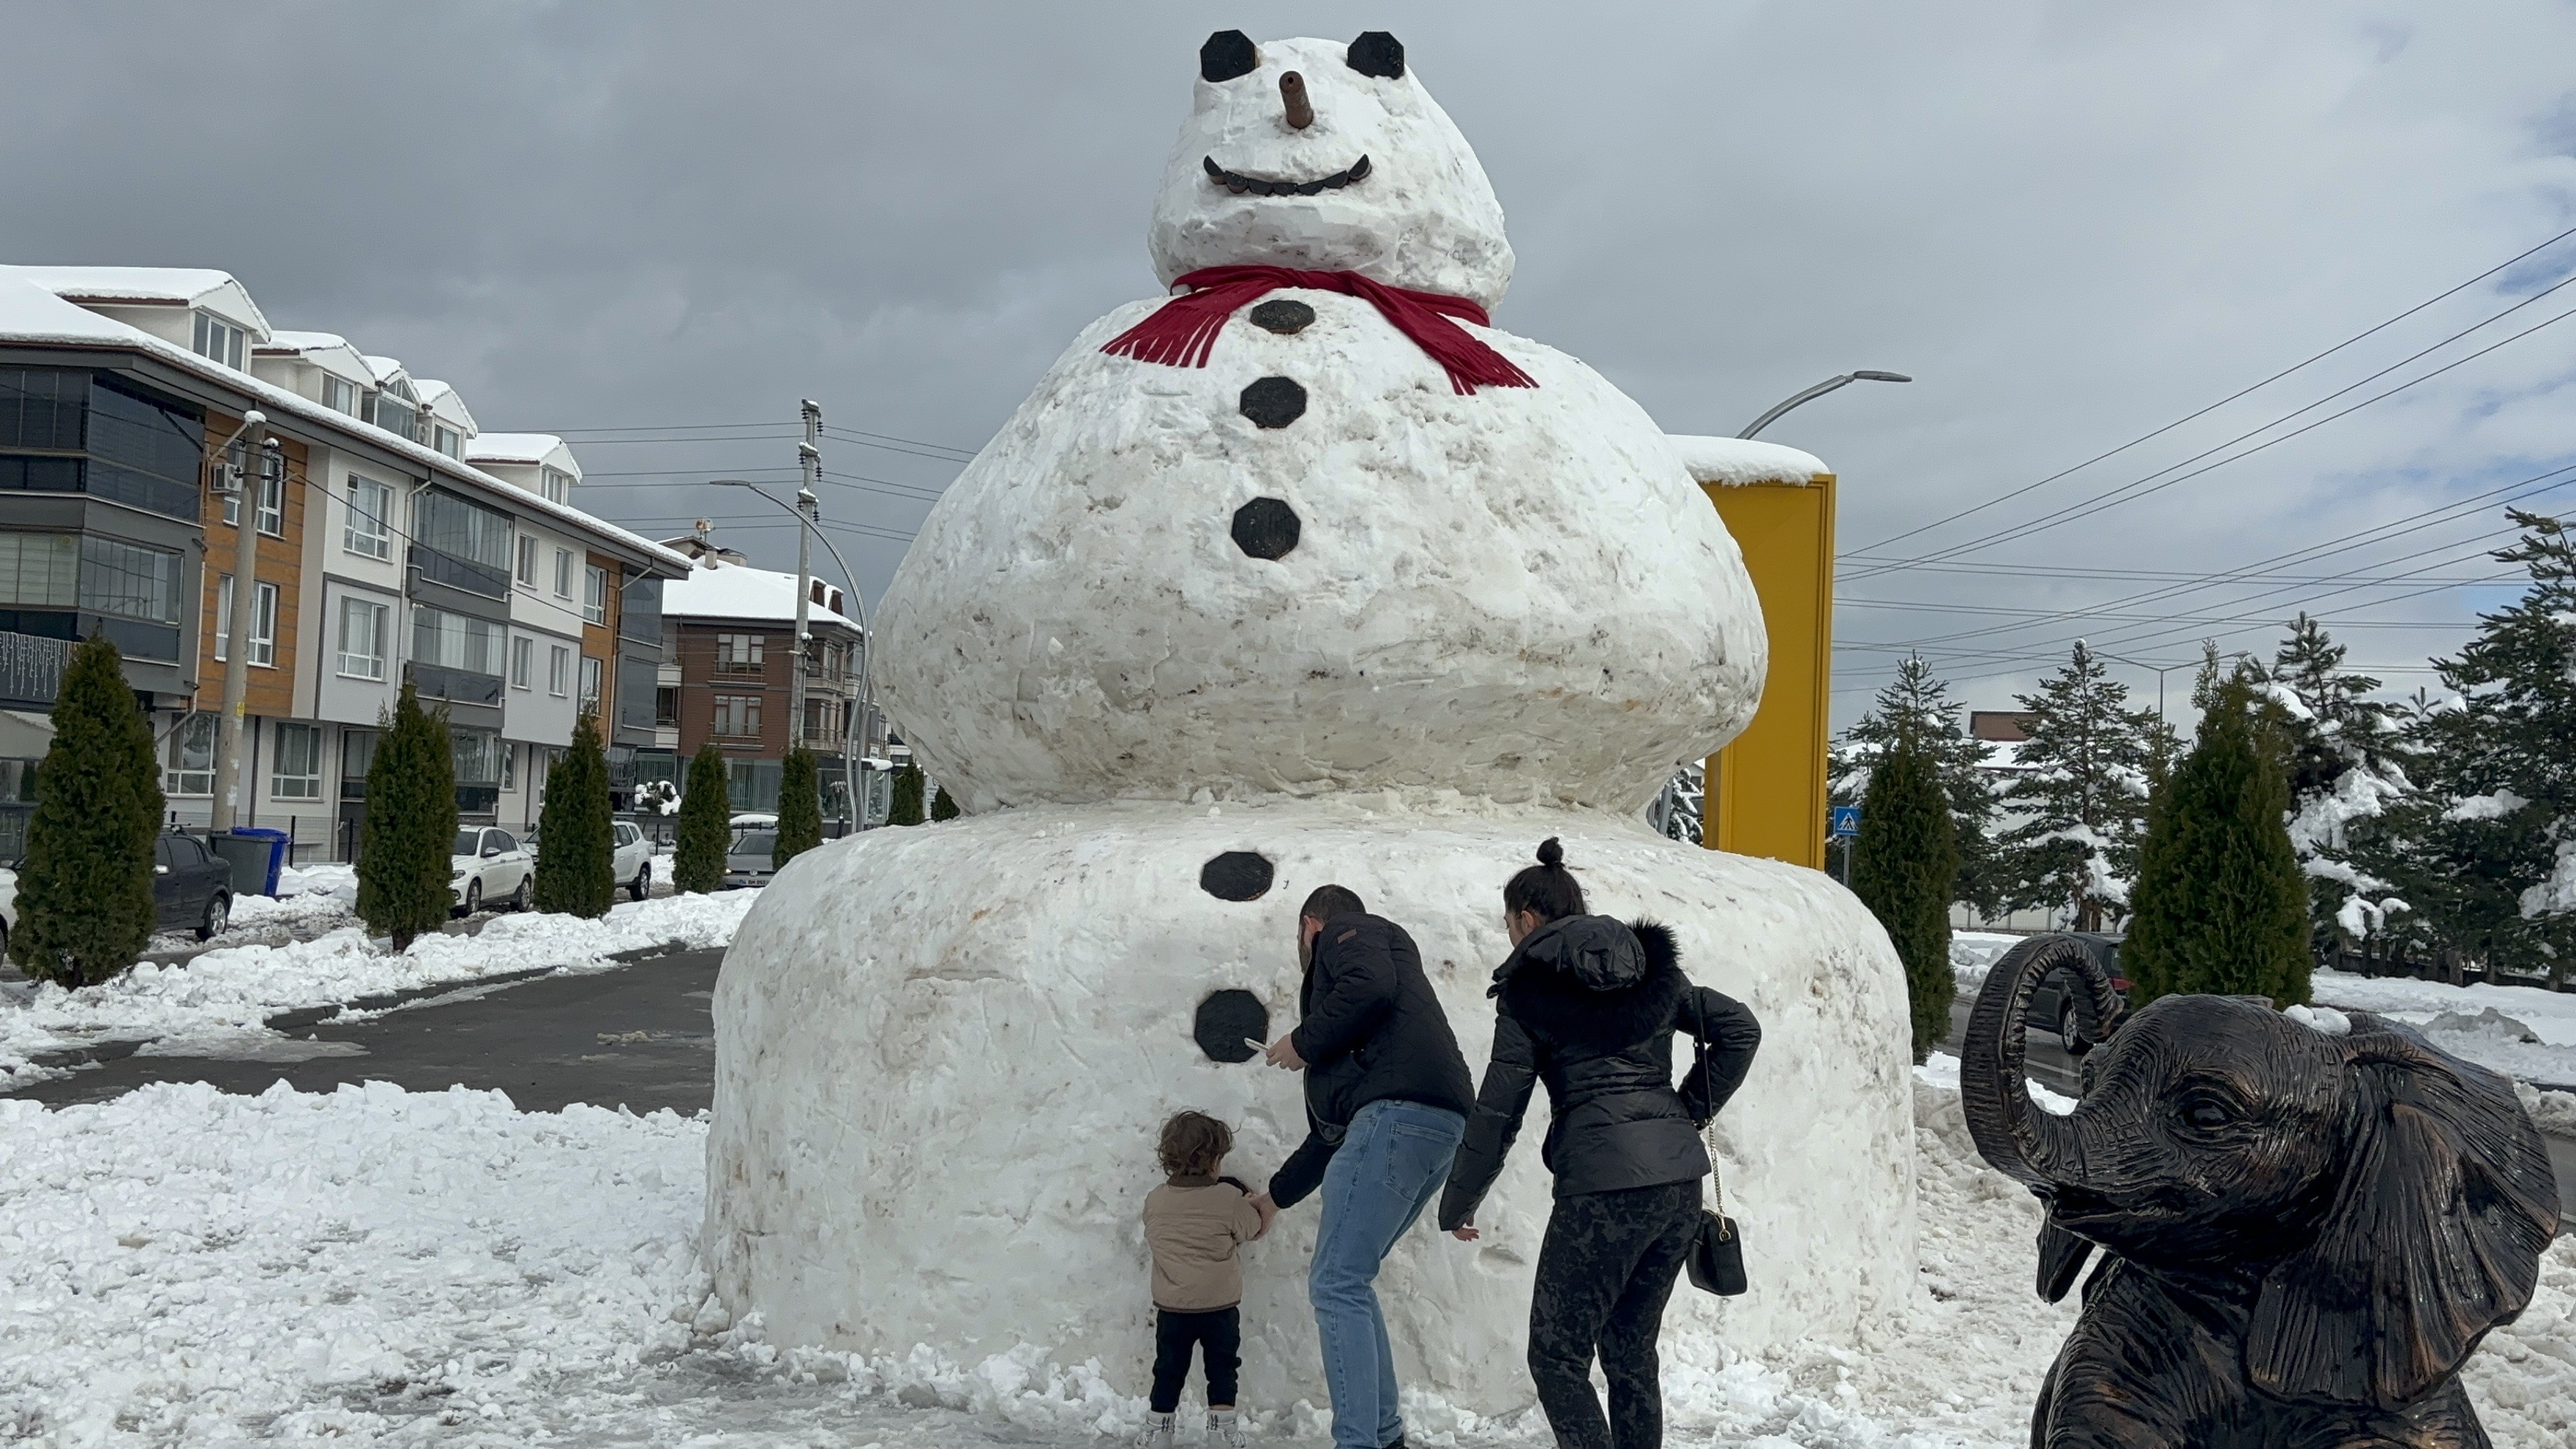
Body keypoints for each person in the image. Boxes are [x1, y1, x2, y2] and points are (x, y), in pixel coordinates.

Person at [1438, 839, 1761, 1449]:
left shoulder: (1529, 990)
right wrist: (1681, 1114)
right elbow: (1739, 1029)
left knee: (1557, 1357)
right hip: (1676, 1189)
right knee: (1630, 1351)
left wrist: (1460, 1201)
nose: (1510, 935)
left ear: (1527, 918)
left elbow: (1498, 1109)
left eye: (1508, 923)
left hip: (1602, 1191)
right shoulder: (1647, 967)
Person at [1248, 884, 1474, 1449]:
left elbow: (1368, 984)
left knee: (1337, 1282)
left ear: (1309, 925)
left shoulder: (1355, 932)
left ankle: (1359, 1442)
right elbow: (1333, 1137)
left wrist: (1302, 1040)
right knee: (1351, 1281)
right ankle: (1383, 1435)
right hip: (1432, 1128)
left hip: (1397, 1120)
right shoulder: (1377, 1045)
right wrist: (1274, 1198)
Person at [1140, 1110, 1268, 1449]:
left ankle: (1158, 1432)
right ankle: (1222, 1432)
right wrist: (1256, 1205)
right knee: (1223, 1368)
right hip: (1219, 1307)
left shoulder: (1156, 1199)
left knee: (1168, 1368)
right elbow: (1252, 1229)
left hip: (1173, 1307)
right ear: (1214, 1162)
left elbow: (1154, 1232)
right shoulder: (1227, 1199)